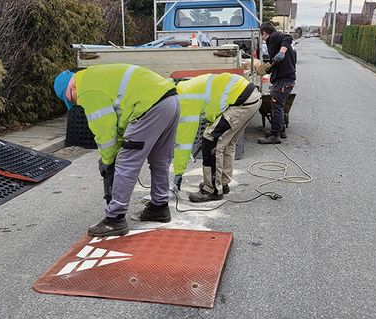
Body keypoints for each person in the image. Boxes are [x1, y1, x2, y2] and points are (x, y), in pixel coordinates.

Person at [53, 64, 180, 237]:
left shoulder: (87, 90)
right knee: (160, 160)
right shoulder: (95, 76)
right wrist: (116, 149)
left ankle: (115, 219)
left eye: (71, 100)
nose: (75, 103)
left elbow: (106, 134)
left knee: (126, 162)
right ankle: (159, 207)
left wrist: (107, 162)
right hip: (170, 100)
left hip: (149, 106)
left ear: (71, 89)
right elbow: (118, 126)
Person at [172, 73, 261, 202]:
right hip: (250, 96)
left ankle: (212, 190)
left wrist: (178, 174)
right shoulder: (184, 88)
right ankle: (222, 183)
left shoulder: (184, 102)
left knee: (210, 140)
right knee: (227, 142)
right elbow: (213, 106)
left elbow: (183, 143)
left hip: (241, 101)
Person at [256, 22, 297, 144]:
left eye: (261, 35)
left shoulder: (274, 37)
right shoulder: (275, 41)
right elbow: (277, 61)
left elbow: (288, 37)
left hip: (283, 81)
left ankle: (275, 135)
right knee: (279, 106)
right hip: (287, 79)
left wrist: (282, 52)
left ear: (264, 33)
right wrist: (269, 67)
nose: (262, 38)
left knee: (276, 107)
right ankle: (281, 130)